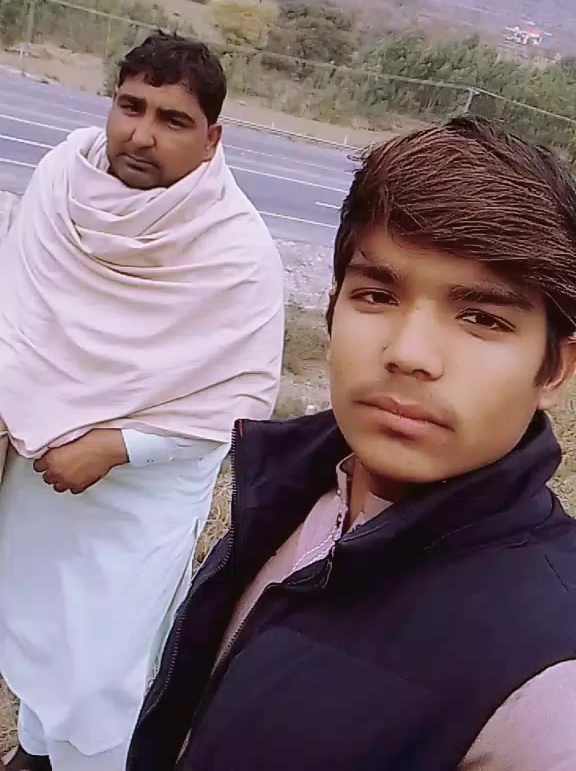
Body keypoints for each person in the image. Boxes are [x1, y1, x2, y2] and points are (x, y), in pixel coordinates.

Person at [128, 115, 576, 771]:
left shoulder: (552, 676)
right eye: (377, 295)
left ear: (556, 369)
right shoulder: (289, 489)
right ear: (334, 307)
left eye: (481, 317)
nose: (409, 353)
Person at [0, 31, 284, 771]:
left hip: (137, 498)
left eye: (173, 120)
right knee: (38, 627)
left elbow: (240, 401)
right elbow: (18, 313)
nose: (142, 134)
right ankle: (35, 750)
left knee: (104, 667)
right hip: (37, 469)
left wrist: (114, 445)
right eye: (131, 107)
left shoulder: (236, 251)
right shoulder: (63, 178)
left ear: (212, 138)